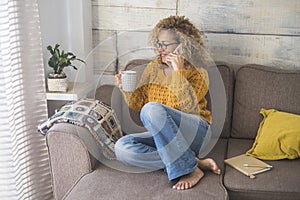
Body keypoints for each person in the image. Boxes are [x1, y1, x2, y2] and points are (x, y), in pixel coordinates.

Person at [114, 15, 221, 190]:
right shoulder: (153, 68)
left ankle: (187, 169)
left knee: (152, 109)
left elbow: (186, 107)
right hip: (166, 136)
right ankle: (191, 163)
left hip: (195, 132)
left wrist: (179, 73)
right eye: (159, 43)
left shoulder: (198, 72)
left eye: (165, 44)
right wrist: (125, 88)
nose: (160, 48)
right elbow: (139, 105)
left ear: (183, 44)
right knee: (122, 148)